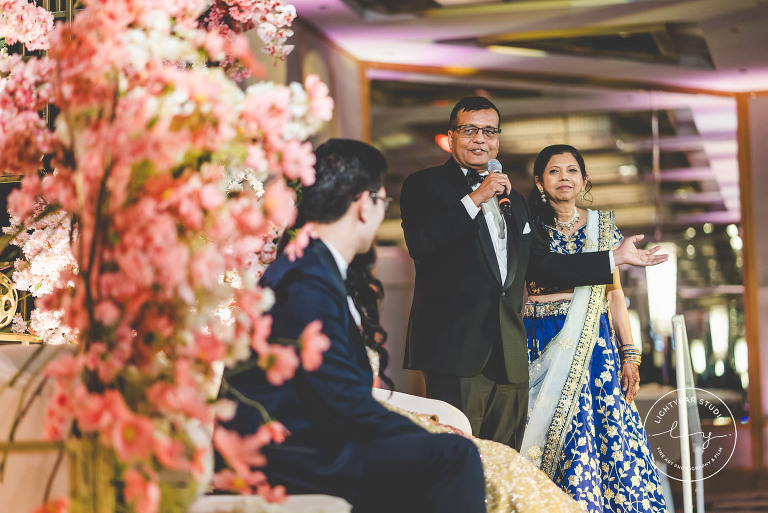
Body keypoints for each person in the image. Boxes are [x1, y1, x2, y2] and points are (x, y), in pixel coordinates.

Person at [220, 139, 486, 513]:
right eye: (383, 203)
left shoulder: (311, 264)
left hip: (306, 438)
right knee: (456, 455)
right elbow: (341, 399)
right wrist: (424, 432)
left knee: (450, 451)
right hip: (294, 453)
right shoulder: (308, 280)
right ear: (364, 204)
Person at [400, 96, 667, 450]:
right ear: (451, 136)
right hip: (456, 351)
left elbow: (544, 266)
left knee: (508, 461)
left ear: (497, 140)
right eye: (470, 130)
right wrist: (476, 198)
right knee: (460, 456)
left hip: (511, 354)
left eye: (489, 131)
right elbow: (423, 244)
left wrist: (613, 257)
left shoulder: (513, 201)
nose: (480, 139)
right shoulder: (425, 184)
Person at [346, 248, 585, 513]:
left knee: (508, 462)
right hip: (352, 425)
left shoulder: (344, 291)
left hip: (505, 354)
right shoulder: (318, 292)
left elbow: (539, 263)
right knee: (471, 457)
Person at [520, 144, 667, 512]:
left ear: (584, 180)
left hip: (595, 343)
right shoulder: (528, 226)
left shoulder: (602, 226)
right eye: (554, 171)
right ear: (539, 182)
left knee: (602, 430)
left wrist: (629, 354)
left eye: (572, 171)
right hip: (543, 336)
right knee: (551, 432)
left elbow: (614, 295)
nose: (564, 178)